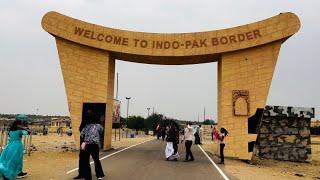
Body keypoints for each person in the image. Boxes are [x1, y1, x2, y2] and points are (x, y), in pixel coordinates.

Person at [80, 115, 105, 180]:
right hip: (95, 145)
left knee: (86, 161)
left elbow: (81, 135)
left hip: (87, 145)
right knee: (96, 160)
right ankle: (99, 176)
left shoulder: (86, 126)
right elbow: (102, 131)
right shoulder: (98, 126)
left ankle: (87, 177)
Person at [73, 109, 94, 179]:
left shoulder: (87, 121)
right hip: (85, 143)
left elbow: (81, 129)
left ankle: (86, 176)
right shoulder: (92, 122)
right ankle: (82, 174)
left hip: (86, 142)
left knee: (84, 158)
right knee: (82, 158)